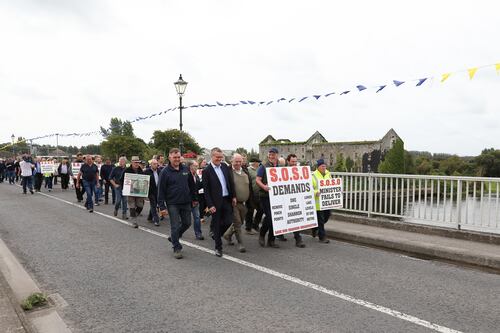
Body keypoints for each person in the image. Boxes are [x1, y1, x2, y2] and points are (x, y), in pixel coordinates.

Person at [157, 148, 197, 259]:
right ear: (169, 157)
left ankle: (174, 237)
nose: (177, 159)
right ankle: (176, 247)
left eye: (178, 157)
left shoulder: (185, 169)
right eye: (174, 157)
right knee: (174, 226)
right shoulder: (165, 172)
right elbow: (161, 190)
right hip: (172, 203)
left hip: (186, 202)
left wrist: (194, 198)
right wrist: (162, 206)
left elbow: (191, 185)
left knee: (187, 223)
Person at [203, 147, 236, 257]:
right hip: (215, 202)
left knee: (228, 221)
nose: (219, 159)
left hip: (226, 199)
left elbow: (230, 182)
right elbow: (206, 190)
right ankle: (218, 247)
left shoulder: (225, 167)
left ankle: (216, 234)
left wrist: (234, 196)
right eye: (217, 157)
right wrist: (210, 205)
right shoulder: (206, 171)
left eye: (221, 157)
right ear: (212, 156)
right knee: (217, 224)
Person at [223, 153, 253, 253]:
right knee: (238, 223)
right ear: (231, 161)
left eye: (240, 161)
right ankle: (240, 243)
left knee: (240, 222)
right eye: (236, 161)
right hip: (233, 202)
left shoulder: (245, 171)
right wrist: (231, 197)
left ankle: (227, 235)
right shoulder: (227, 172)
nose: (238, 163)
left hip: (244, 203)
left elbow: (249, 187)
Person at [279, 154, 306, 247]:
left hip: (295, 198)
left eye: (295, 161)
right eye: (292, 162)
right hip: (285, 198)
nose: (294, 163)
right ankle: (279, 233)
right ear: (288, 161)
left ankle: (298, 238)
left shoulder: (300, 171)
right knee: (283, 217)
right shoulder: (282, 171)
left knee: (295, 218)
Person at [256, 147, 280, 248]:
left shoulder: (279, 167)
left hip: (276, 196)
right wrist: (264, 187)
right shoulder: (263, 166)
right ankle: (262, 234)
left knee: (276, 218)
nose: (271, 156)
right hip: (265, 196)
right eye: (270, 154)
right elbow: (258, 180)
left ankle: (271, 240)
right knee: (270, 217)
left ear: (277, 155)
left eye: (273, 154)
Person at [120, 156, 145, 228]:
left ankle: (134, 215)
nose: (137, 164)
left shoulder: (141, 171)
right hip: (130, 191)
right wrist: (123, 188)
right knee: (132, 205)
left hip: (139, 191)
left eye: (138, 162)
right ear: (132, 162)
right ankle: (134, 221)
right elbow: (121, 180)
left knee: (140, 205)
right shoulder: (127, 170)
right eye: (135, 162)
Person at [311, 159, 332, 243]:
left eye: (325, 166)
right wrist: (316, 192)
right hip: (317, 203)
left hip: (326, 202)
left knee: (327, 216)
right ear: (318, 167)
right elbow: (309, 189)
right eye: (322, 166)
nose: (324, 167)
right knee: (321, 220)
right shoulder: (313, 175)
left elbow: (332, 185)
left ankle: (314, 228)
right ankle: (322, 237)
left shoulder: (328, 173)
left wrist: (338, 190)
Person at [245, 157, 263, 234]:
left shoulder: (259, 169)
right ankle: (248, 228)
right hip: (251, 194)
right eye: (258, 162)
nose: (259, 163)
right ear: (254, 163)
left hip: (259, 194)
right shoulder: (248, 170)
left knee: (261, 210)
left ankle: (255, 225)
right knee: (250, 211)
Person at [187, 160, 204, 240]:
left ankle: (198, 233)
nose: (197, 167)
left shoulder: (196, 176)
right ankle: (178, 232)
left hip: (196, 200)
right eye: (195, 166)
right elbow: (187, 189)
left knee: (197, 217)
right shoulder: (186, 175)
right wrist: (192, 200)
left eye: (197, 166)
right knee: (185, 220)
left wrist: (204, 181)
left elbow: (198, 187)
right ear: (190, 166)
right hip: (187, 201)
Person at [144, 159, 160, 226]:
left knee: (155, 204)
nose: (156, 165)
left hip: (158, 191)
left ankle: (150, 217)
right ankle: (156, 220)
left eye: (156, 164)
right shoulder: (147, 171)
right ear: (151, 164)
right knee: (153, 205)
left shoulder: (160, 171)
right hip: (150, 191)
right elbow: (143, 180)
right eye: (154, 164)